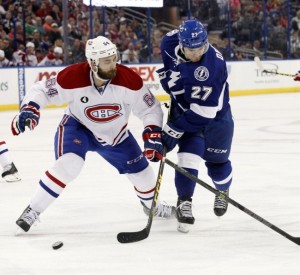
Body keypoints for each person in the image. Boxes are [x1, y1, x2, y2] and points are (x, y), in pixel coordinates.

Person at [11, 35, 175, 233]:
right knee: (69, 164)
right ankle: (33, 210)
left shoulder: (128, 79)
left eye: (114, 58)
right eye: (107, 61)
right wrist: (30, 107)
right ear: (92, 63)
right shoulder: (73, 76)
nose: (113, 64)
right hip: (78, 127)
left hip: (116, 135)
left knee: (144, 175)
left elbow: (150, 109)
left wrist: (153, 133)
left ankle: (152, 206)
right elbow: (42, 90)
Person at [158, 19, 234, 233]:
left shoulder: (211, 67)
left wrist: (174, 128)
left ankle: (223, 190)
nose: (196, 53)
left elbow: (204, 113)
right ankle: (185, 202)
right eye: (191, 50)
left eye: (201, 47)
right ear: (182, 44)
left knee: (217, 165)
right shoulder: (169, 43)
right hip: (186, 110)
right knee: (187, 156)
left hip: (215, 118)